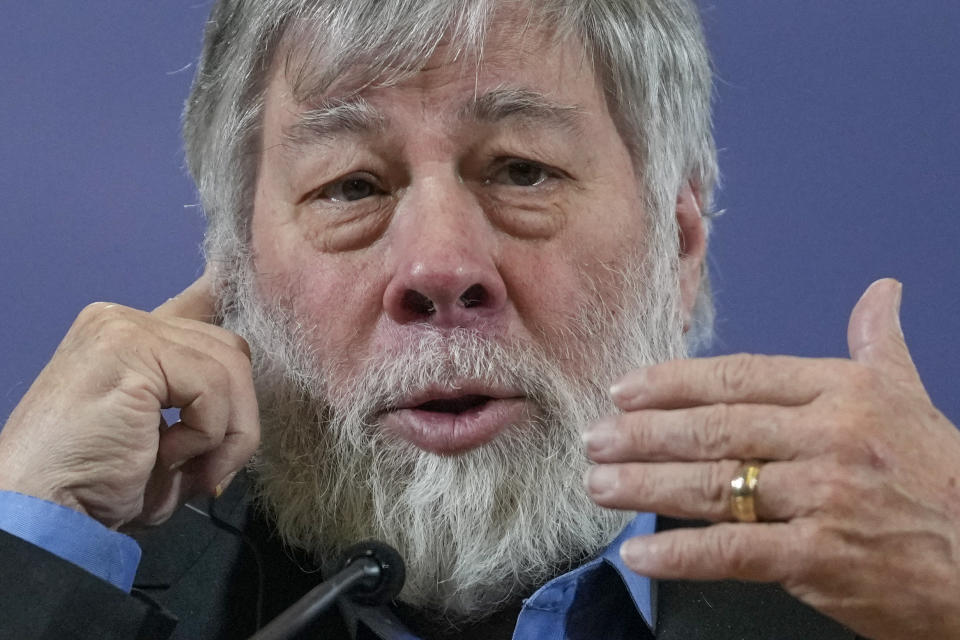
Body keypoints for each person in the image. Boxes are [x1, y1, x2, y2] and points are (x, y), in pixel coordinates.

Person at [0, 0, 958, 638]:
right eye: (352, 186)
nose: (439, 268)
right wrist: (19, 550)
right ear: (239, 280)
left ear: (679, 248)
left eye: (521, 170)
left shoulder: (901, 594)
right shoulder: (71, 585)